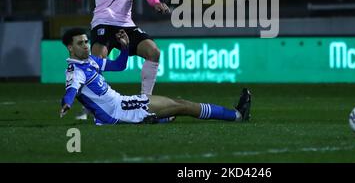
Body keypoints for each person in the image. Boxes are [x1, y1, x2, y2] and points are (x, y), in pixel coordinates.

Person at [59, 28, 252, 125]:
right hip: (121, 110)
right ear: (70, 48)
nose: (85, 45)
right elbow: (71, 90)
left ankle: (154, 119)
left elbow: (119, 65)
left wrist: (125, 47)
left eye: (86, 41)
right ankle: (237, 116)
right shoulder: (76, 72)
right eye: (80, 43)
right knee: (181, 105)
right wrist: (67, 103)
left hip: (122, 105)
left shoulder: (90, 61)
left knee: (174, 110)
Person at [70, 0, 170, 120]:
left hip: (126, 25)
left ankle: (145, 100)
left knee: (154, 52)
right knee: (96, 60)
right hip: (103, 24)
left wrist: (156, 4)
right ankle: (91, 108)